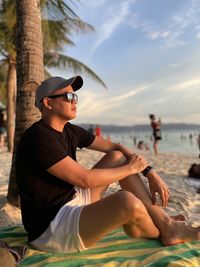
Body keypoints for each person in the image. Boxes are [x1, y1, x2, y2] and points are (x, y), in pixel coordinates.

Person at [16, 76, 200, 253]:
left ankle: (163, 222)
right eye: (69, 96)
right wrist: (131, 168)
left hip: (70, 200)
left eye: (75, 96)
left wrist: (149, 172)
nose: (75, 101)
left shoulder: (69, 130)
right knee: (127, 200)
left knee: (117, 157)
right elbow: (85, 179)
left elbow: (115, 146)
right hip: (52, 228)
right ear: (48, 103)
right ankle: (164, 227)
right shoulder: (39, 137)